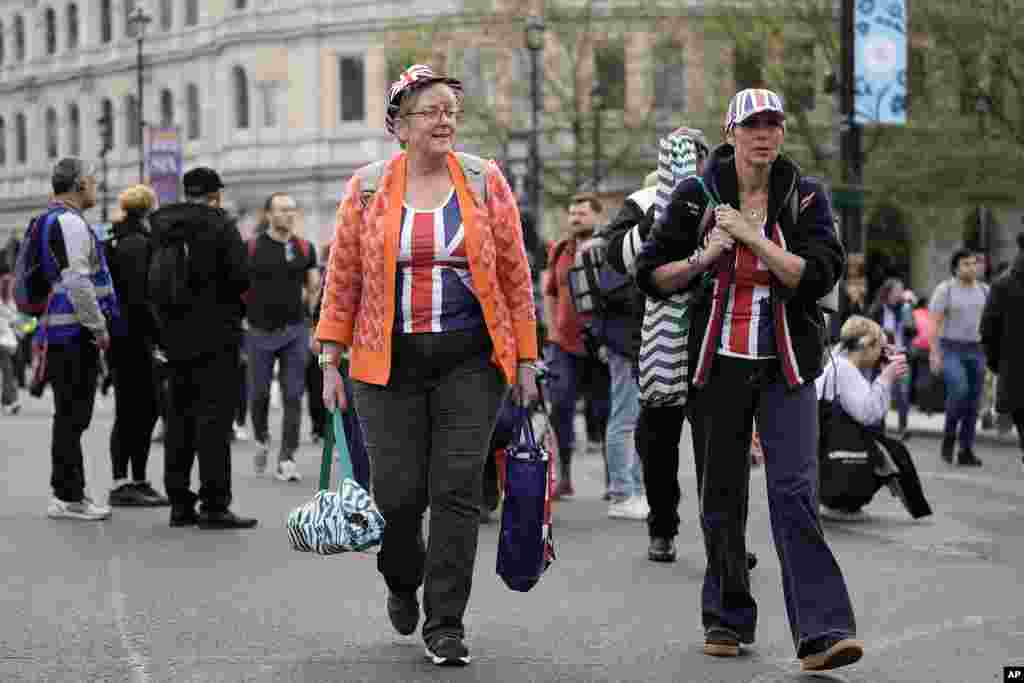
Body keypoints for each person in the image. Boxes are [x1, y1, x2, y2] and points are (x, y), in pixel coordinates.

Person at [316, 64, 538, 666]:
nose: (444, 121)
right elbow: (343, 277)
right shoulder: (366, 187)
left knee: (457, 489)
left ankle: (446, 623)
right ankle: (400, 578)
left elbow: (516, 272)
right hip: (386, 363)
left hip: (470, 360)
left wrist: (526, 357)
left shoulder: (484, 180)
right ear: (399, 125)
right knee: (397, 495)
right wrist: (330, 357)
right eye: (430, 111)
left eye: (449, 110)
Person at [635, 88, 861, 671]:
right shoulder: (694, 197)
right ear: (730, 131)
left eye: (774, 125)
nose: (764, 135)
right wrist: (705, 257)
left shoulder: (807, 196)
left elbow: (819, 274)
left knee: (794, 494)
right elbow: (653, 276)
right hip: (717, 367)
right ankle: (728, 615)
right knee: (722, 496)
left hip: (787, 365)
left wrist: (754, 239)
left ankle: (822, 632)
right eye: (752, 125)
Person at [150, 167, 256, 529]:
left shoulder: (162, 226)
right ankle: (214, 503)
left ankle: (179, 502)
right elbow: (241, 276)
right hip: (216, 336)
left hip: (174, 338)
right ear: (214, 195)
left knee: (178, 419)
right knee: (213, 421)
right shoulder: (221, 226)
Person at [34, 159, 119, 521]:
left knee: (69, 416)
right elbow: (78, 281)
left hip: (62, 331)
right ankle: (68, 496)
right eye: (92, 181)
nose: (95, 187)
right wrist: (98, 327)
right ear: (78, 184)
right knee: (72, 415)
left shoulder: (53, 219)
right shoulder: (69, 223)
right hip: (72, 333)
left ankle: (65, 492)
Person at [245, 192, 319, 482]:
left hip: (294, 331)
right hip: (259, 331)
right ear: (268, 215)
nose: (288, 214)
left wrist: (311, 316)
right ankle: (262, 437)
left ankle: (287, 458)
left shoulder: (304, 248)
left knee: (292, 394)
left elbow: (313, 285)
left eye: (292, 209)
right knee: (260, 392)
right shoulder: (251, 248)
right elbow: (237, 284)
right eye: (282, 210)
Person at [543, 193, 611, 498]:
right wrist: (552, 327)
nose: (575, 219)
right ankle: (564, 477)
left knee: (606, 411)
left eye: (582, 213)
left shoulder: (609, 248)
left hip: (600, 344)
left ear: (598, 216)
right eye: (572, 213)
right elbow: (550, 291)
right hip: (563, 344)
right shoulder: (560, 250)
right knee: (560, 407)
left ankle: (616, 480)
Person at [105, 185, 169, 507]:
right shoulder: (138, 245)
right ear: (148, 209)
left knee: (131, 410)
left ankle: (130, 479)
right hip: (136, 339)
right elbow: (142, 298)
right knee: (142, 410)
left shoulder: (115, 239)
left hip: (119, 338)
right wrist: (158, 338)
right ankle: (129, 480)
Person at [817, 315, 909, 519]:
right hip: (838, 458)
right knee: (892, 452)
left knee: (888, 450)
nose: (881, 355)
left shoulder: (836, 362)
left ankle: (841, 498)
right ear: (866, 345)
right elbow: (869, 415)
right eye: (881, 349)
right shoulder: (845, 370)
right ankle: (845, 499)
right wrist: (886, 378)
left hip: (822, 455)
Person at [928, 249, 989, 466]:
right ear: (955, 267)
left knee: (972, 402)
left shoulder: (984, 290)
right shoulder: (945, 290)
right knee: (960, 390)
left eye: (974, 264)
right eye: (966, 264)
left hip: (977, 349)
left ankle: (966, 450)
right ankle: (949, 437)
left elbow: (991, 323)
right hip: (951, 349)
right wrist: (934, 353)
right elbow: (933, 323)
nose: (972, 268)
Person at [980, 232, 1024, 472]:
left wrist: (1002, 366)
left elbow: (988, 333)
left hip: (1017, 379)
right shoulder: (1003, 285)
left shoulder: (1002, 285)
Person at [867, 278, 915, 438]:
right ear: (888, 292)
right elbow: (870, 332)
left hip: (900, 354)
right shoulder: (878, 309)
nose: (900, 294)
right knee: (881, 390)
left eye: (902, 290)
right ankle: (879, 426)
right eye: (896, 291)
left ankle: (903, 427)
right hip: (882, 357)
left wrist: (908, 313)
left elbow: (912, 331)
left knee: (903, 392)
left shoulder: (904, 309)